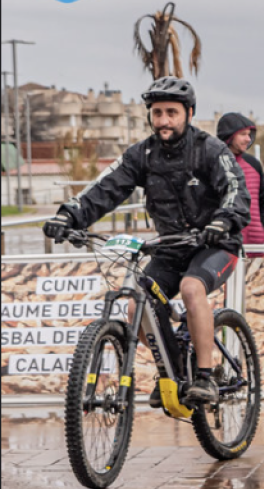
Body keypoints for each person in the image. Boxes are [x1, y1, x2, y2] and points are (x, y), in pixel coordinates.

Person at [43, 77, 250, 406]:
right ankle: (171, 372)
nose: (164, 121)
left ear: (189, 113)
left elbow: (236, 189)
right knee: (136, 303)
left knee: (192, 288)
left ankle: (205, 377)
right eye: (157, 113)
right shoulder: (142, 154)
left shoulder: (211, 149)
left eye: (172, 112)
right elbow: (105, 188)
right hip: (170, 248)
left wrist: (223, 221)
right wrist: (68, 216)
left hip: (216, 244)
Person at [217, 113, 264, 257]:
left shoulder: (254, 164)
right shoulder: (213, 165)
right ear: (229, 136)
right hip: (224, 248)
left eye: (249, 134)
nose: (248, 139)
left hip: (255, 247)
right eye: (243, 134)